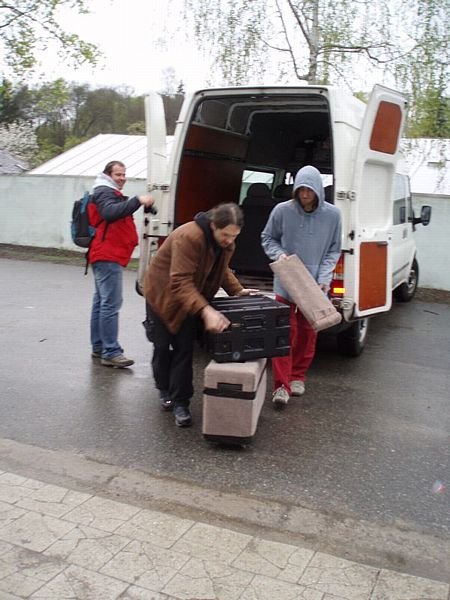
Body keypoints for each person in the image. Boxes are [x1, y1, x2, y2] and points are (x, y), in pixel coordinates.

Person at [143, 203, 258, 427]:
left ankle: (181, 402)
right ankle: (164, 389)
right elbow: (180, 281)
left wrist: (237, 290)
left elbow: (221, 269)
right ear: (214, 225)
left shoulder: (226, 244)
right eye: (225, 235)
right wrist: (206, 310)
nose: (229, 241)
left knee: (184, 349)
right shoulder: (189, 237)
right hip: (162, 296)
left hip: (190, 300)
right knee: (162, 347)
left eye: (234, 236)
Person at [261, 165, 342, 406]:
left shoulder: (333, 215)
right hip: (287, 280)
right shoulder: (282, 211)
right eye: (301, 190)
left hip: (314, 285)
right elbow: (267, 237)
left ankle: (297, 376)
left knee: (307, 333)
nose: (305, 195)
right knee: (285, 333)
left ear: (318, 190)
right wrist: (279, 255)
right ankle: (281, 386)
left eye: (309, 190)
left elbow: (334, 250)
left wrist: (324, 278)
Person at [88, 160, 156, 368]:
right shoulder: (104, 191)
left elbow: (115, 212)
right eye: (118, 174)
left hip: (105, 254)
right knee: (110, 304)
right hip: (108, 255)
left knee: (101, 303)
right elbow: (110, 212)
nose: (122, 178)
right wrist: (137, 200)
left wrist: (139, 203)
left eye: (124, 174)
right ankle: (111, 352)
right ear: (108, 175)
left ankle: (99, 347)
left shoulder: (106, 191)